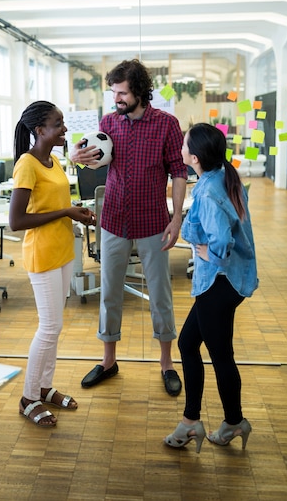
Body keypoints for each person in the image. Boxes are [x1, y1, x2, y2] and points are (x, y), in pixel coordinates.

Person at [71, 59, 187, 396]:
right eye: (113, 92)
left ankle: (166, 363)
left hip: (152, 220)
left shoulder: (166, 124)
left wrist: (176, 216)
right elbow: (88, 156)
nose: (116, 98)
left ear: (139, 91)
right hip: (114, 220)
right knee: (109, 292)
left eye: (121, 92)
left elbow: (178, 171)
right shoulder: (108, 122)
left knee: (160, 295)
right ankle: (109, 361)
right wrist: (77, 159)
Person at [164, 123, 258, 453]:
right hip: (227, 282)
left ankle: (225, 422)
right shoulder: (221, 175)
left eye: (184, 145)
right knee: (189, 344)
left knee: (220, 356)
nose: (180, 148)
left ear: (194, 156)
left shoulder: (207, 191)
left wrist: (209, 252)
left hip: (219, 282)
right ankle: (199, 421)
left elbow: (220, 239)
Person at [9, 100, 95, 427]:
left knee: (55, 327)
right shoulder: (26, 164)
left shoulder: (54, 161)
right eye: (58, 124)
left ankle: (45, 388)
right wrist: (65, 213)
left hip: (62, 251)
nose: (65, 129)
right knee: (49, 327)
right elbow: (16, 220)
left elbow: (55, 202)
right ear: (40, 130)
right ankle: (28, 397)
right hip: (42, 254)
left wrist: (77, 212)